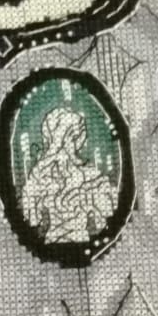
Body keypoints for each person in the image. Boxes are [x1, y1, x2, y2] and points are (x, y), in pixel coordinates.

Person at [22, 104, 117, 244]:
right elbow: (32, 217)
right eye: (74, 136)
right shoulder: (43, 176)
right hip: (63, 243)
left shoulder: (39, 175)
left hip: (72, 241)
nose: (81, 140)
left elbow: (108, 213)